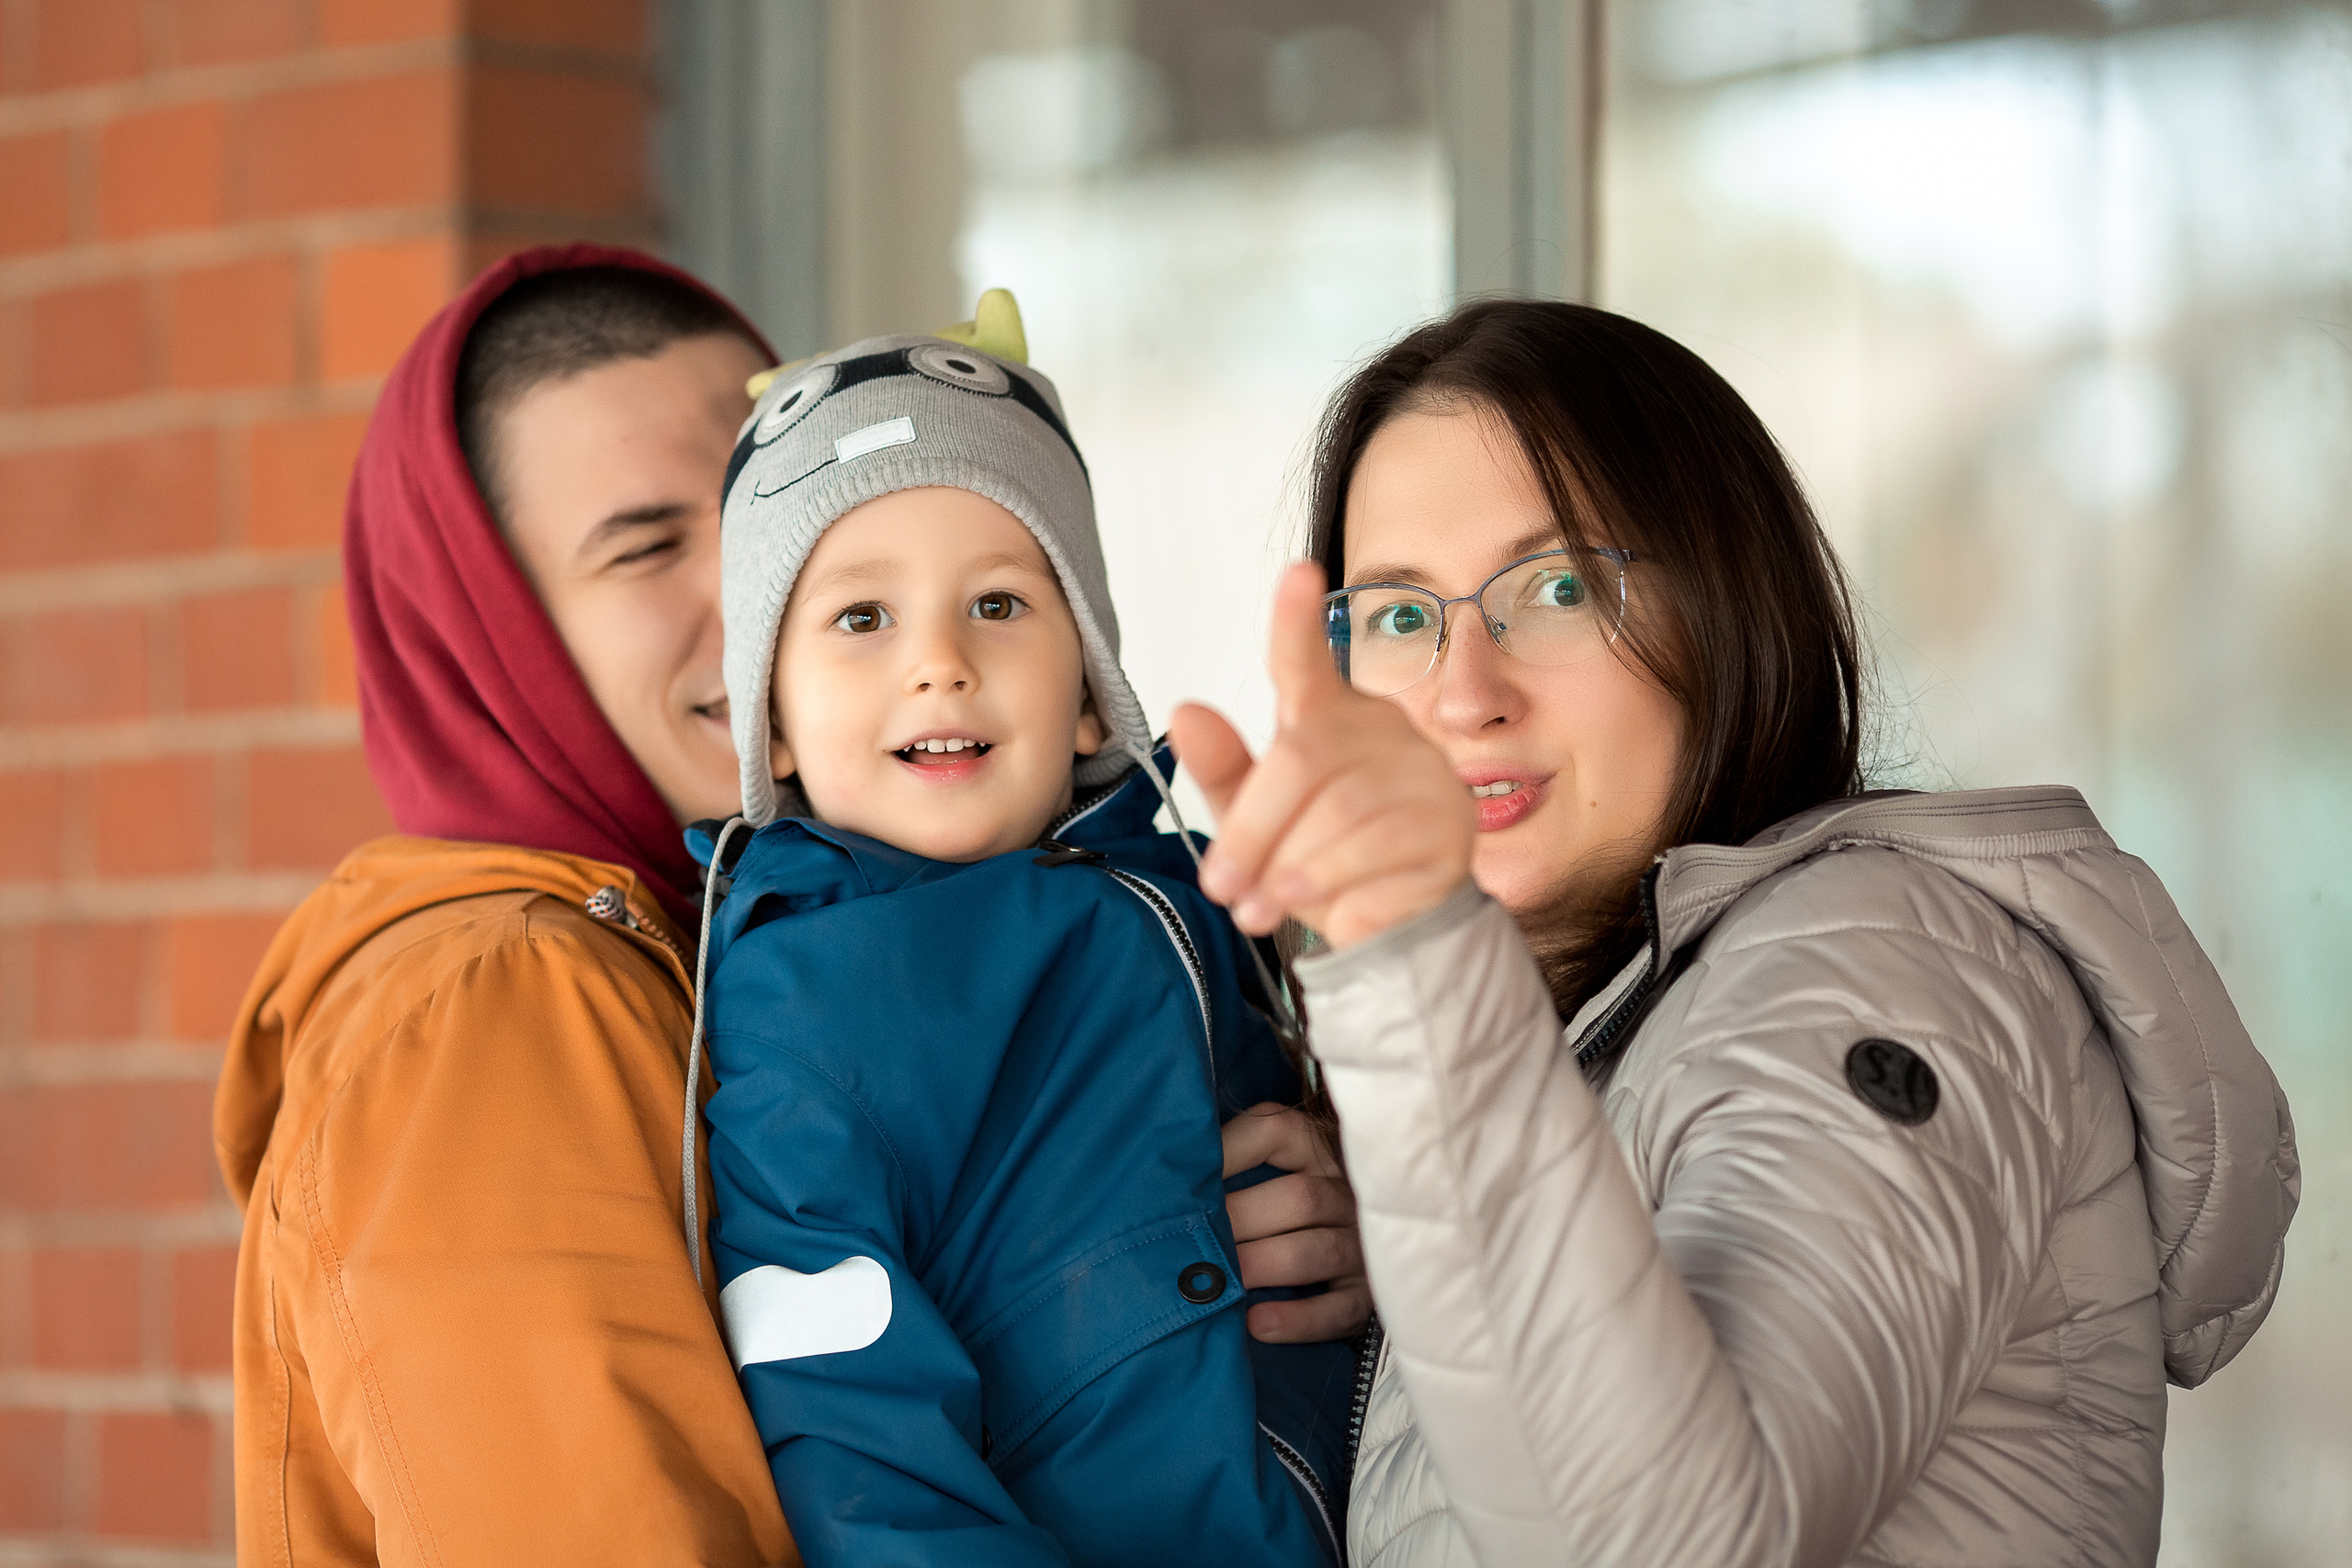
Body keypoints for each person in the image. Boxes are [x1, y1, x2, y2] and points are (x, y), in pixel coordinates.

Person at [213, 247, 1364, 1567]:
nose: (750, 599)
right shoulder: (493, 1003)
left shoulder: (782, 917)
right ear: (494, 636)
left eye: (754, 516)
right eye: (647, 547)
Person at [1171, 299, 2300, 1567]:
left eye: (1556, 588)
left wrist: (1414, 974)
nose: (1464, 692)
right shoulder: (1622, 1019)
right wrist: (1411, 1247)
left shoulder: (1884, 958)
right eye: (1396, 614)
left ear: (1724, 603)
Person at [695, 315, 1357, 1565]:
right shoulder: (805, 1005)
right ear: (770, 725)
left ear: (1092, 680)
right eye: (859, 620)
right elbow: (855, 1449)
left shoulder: (1200, 891)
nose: (941, 663)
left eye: (999, 602)